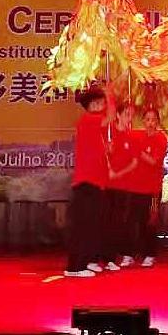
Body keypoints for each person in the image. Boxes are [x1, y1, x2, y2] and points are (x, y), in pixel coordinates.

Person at [64, 86, 116, 277]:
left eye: (103, 103)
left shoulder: (94, 128)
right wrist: (110, 94)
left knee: (92, 226)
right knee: (84, 227)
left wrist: (106, 150)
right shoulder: (88, 119)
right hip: (86, 184)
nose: (103, 106)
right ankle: (75, 267)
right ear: (91, 105)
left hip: (93, 184)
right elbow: (111, 116)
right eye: (99, 103)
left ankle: (85, 262)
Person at [132, 108, 168, 267]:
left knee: (151, 221)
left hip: (153, 187)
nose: (150, 123)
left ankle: (150, 253)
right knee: (138, 220)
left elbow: (154, 160)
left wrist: (138, 152)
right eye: (147, 119)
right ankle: (138, 251)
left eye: (153, 120)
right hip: (137, 186)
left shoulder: (160, 138)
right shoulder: (138, 136)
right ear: (143, 121)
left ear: (157, 122)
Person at [103, 101, 138, 268]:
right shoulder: (109, 133)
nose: (129, 118)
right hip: (107, 184)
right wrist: (109, 163)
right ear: (118, 115)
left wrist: (119, 173)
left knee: (119, 222)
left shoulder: (131, 137)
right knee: (106, 221)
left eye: (131, 115)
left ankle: (112, 257)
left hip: (123, 186)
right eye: (126, 114)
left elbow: (134, 162)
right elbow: (103, 155)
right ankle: (103, 256)